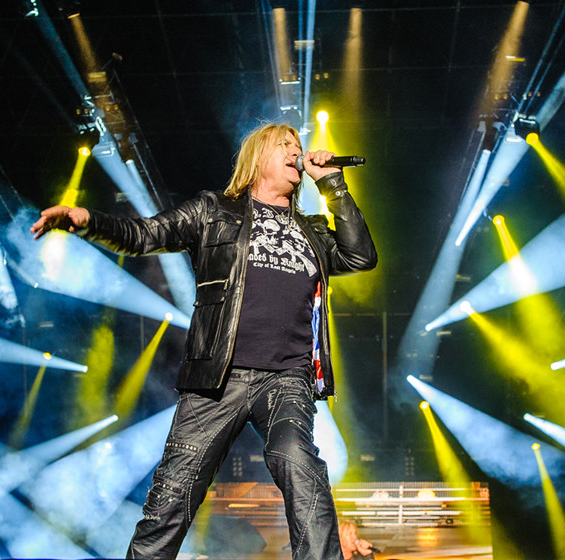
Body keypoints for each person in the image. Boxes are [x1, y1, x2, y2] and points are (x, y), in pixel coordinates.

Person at [31, 122, 377, 560]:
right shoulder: (214, 211)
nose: (296, 152)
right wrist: (86, 222)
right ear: (257, 159)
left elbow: (360, 255)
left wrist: (332, 185)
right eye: (285, 145)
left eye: (298, 145)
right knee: (173, 495)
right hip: (218, 376)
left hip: (288, 377)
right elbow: (145, 235)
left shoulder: (311, 231)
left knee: (302, 468)